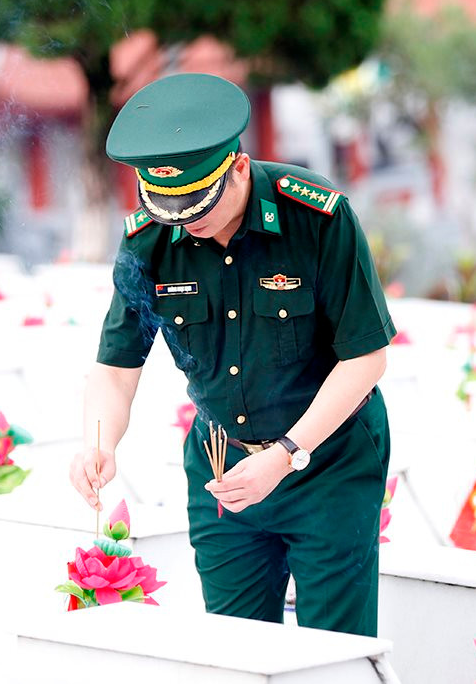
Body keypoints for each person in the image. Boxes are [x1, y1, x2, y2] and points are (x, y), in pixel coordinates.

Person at [69, 73, 395, 636]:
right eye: (167, 210)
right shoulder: (149, 239)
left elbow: (365, 359)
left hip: (328, 462)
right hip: (223, 465)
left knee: (331, 650)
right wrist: (99, 442)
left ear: (238, 168)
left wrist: (286, 454)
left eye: (196, 207)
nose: (184, 224)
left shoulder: (316, 218)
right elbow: (117, 371)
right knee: (236, 646)